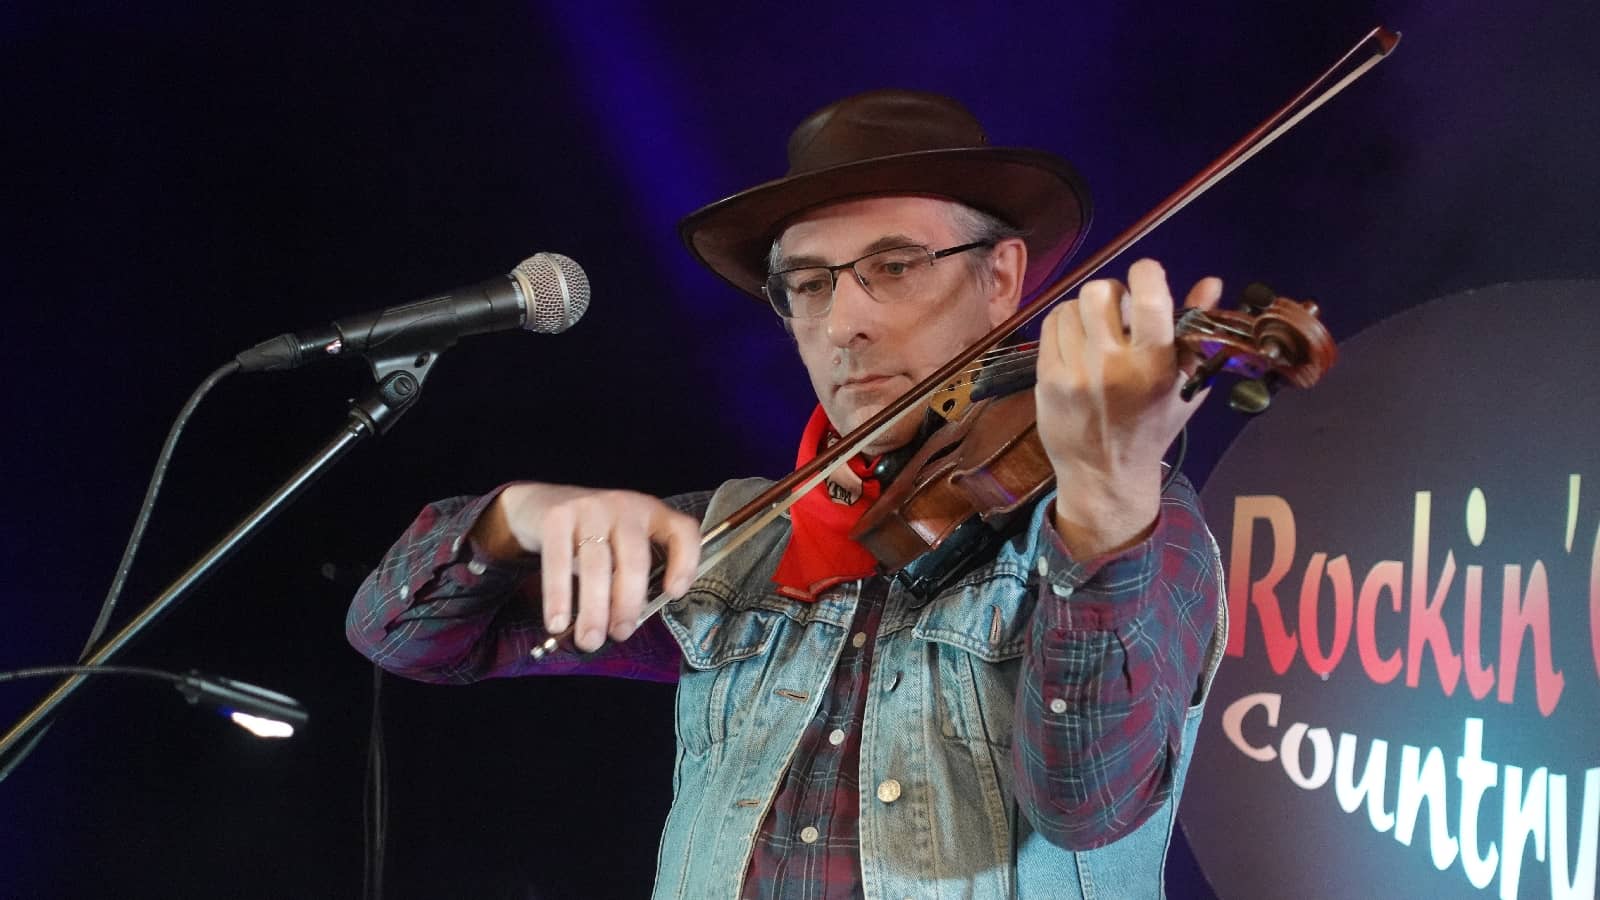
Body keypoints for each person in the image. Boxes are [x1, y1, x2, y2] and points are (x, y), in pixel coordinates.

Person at [347, 89, 1227, 899]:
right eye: (809, 285)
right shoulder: (734, 535)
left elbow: (1092, 804)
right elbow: (405, 638)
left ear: (1000, 278)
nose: (847, 322)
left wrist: (1106, 504)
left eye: (896, 265)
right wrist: (512, 519)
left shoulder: (1134, 524)